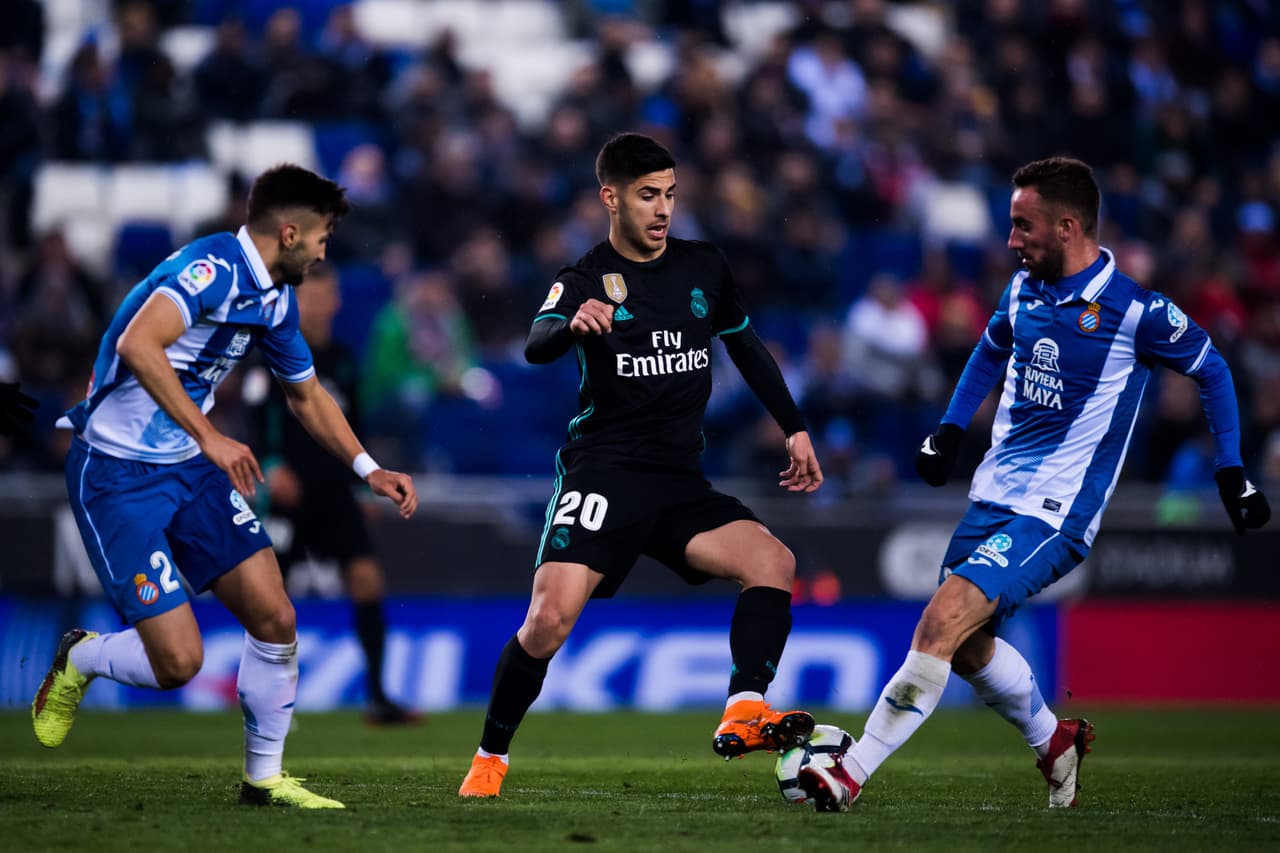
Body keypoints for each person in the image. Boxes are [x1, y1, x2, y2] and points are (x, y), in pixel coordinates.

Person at [833, 157, 1271, 811]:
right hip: (992, 495)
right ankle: (1055, 740)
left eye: (1023, 226)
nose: (1011, 240)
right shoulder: (1022, 290)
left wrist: (1230, 469)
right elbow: (989, 349)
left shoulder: (1136, 310)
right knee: (968, 646)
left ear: (1067, 227)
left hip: (1056, 511)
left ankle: (849, 772)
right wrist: (948, 431)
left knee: (940, 620)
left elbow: (1213, 369)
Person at [32, 164, 419, 809]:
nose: (324, 253)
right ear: (289, 233)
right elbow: (139, 345)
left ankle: (263, 780)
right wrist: (212, 436)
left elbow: (307, 395)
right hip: (116, 473)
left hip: (190, 468)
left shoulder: (276, 298)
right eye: (322, 238)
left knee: (276, 617)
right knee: (178, 664)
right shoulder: (211, 270)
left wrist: (367, 468)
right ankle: (84, 657)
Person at [458, 132, 825, 799]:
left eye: (670, 194)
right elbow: (536, 342)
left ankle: (744, 708)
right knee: (547, 620)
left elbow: (746, 347)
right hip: (603, 472)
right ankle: (489, 757)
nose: (662, 209)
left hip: (678, 480)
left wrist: (794, 426)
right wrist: (572, 323)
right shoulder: (584, 277)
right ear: (611, 198)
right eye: (648, 195)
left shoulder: (703, 266)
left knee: (773, 561)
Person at [246, 260, 419, 725]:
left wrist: (364, 486)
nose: (326, 303)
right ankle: (267, 697)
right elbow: (258, 416)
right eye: (315, 295)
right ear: (297, 302)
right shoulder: (273, 352)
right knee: (272, 600)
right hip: (288, 492)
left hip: (335, 491)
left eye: (330, 294)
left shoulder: (342, 358)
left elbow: (354, 425)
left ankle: (378, 697)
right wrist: (270, 466)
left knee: (367, 581)